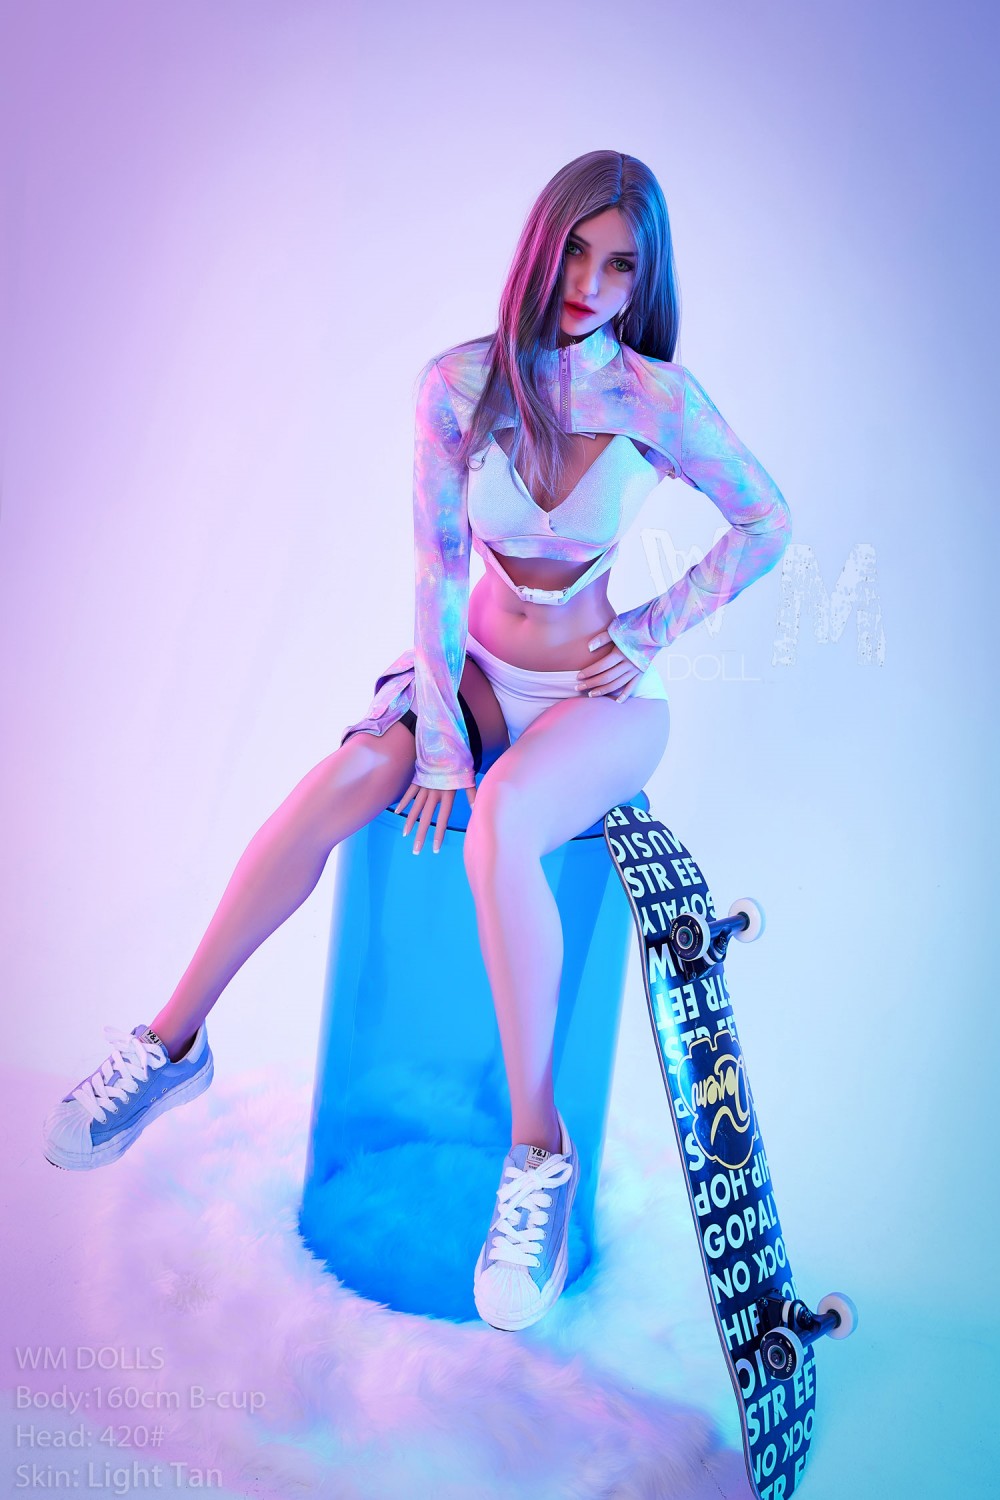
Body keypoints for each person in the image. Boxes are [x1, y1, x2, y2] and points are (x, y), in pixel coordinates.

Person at [42, 149, 791, 1332]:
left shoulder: (657, 400)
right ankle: (171, 1041)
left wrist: (653, 624)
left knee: (501, 829)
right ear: (540, 246)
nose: (590, 285)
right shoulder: (460, 384)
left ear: (643, 281)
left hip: (594, 700)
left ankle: (537, 1155)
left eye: (619, 266)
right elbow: (438, 571)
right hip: (472, 674)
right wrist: (438, 739)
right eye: (576, 253)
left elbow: (765, 521)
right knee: (349, 776)